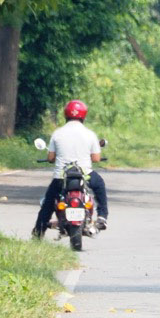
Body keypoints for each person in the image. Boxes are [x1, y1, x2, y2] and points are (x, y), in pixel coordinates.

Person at [33, 100, 109, 238]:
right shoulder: (89, 134)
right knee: (100, 185)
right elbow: (96, 158)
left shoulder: (57, 133)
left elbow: (51, 157)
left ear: (66, 115)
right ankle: (102, 216)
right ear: (83, 116)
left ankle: (39, 232)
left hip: (62, 176)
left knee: (48, 205)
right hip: (85, 174)